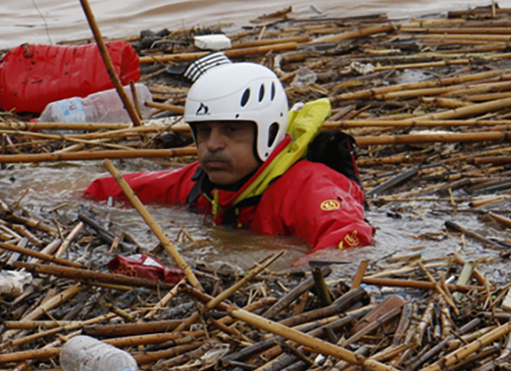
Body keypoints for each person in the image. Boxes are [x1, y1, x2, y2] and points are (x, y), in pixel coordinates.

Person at [83, 59, 373, 255]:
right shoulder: (203, 182)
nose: (212, 144)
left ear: (268, 132)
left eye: (231, 130)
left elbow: (351, 238)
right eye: (204, 131)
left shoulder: (308, 187)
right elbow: (119, 187)